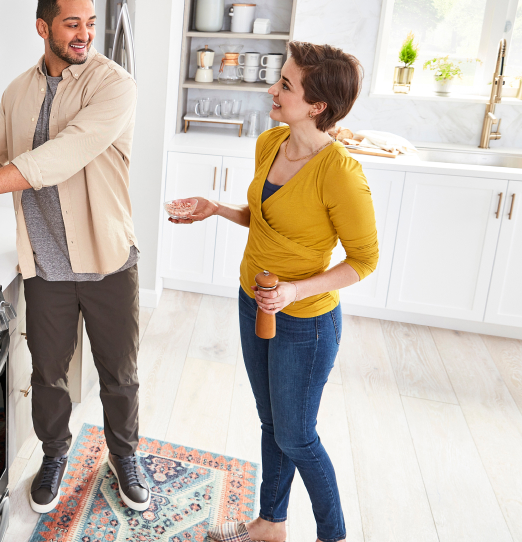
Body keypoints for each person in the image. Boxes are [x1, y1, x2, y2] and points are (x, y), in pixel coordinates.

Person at [0, 0, 147, 515]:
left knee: (119, 374)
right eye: (71, 23)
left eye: (89, 24)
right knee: (48, 375)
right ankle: (55, 455)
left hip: (107, 261)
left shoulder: (113, 85)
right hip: (44, 266)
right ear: (43, 28)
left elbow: (57, 158)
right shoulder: (19, 91)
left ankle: (125, 457)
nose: (84, 34)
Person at [171, 42, 376, 542]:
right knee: (271, 424)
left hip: (305, 322)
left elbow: (363, 261)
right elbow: (263, 219)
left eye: (286, 84)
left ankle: (334, 535)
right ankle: (270, 524)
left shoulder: (341, 174)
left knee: (297, 436)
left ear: (317, 105)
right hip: (253, 300)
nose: (272, 89)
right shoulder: (271, 143)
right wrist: (216, 208)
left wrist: (294, 292)